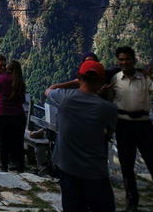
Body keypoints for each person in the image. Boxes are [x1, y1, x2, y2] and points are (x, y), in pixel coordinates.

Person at [45, 60, 118, 212]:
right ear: (102, 81)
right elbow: (109, 132)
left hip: (69, 170)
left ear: (79, 76)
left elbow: (49, 89)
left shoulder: (65, 99)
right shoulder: (107, 109)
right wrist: (101, 96)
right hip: (96, 172)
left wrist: (73, 83)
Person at [109, 46, 153, 211]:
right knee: (126, 164)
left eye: (127, 59)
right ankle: (132, 201)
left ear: (134, 60)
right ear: (118, 61)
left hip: (143, 123)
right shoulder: (115, 79)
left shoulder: (146, 78)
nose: (124, 62)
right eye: (121, 59)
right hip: (123, 123)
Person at [0, 60, 26, 172]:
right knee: (18, 141)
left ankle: (4, 166)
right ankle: (20, 165)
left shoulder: (0, 78)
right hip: (18, 115)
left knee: (3, 141)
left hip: (2, 114)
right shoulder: (19, 81)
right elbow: (22, 99)